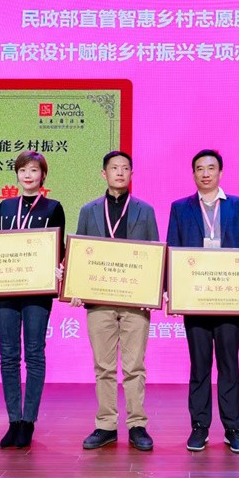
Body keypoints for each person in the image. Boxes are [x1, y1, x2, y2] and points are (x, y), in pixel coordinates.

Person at [166, 149, 239, 454]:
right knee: (200, 365)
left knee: (230, 365)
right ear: (193, 174)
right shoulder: (180, 208)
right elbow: (172, 251)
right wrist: (169, 291)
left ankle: (233, 428)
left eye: (211, 168)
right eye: (199, 169)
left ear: (220, 172)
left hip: (230, 300)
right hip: (194, 299)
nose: (205, 173)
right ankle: (200, 426)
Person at [70, 151, 160, 452]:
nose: (119, 173)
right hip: (99, 302)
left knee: (135, 366)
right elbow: (80, 254)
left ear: (131, 173)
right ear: (104, 173)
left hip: (135, 301)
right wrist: (76, 287)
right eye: (114, 168)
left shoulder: (145, 210)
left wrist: (153, 292)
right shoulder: (89, 211)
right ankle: (106, 425)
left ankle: (137, 425)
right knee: (103, 367)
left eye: (125, 168)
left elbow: (154, 253)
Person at [0, 151, 65, 449]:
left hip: (38, 291)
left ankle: (28, 421)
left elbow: (59, 249)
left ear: (43, 175)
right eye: (23, 170)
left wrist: (59, 268)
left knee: (34, 354)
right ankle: (13, 420)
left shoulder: (53, 207)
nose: (27, 175)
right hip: (6, 290)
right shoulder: (5, 206)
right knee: (8, 355)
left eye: (34, 170)